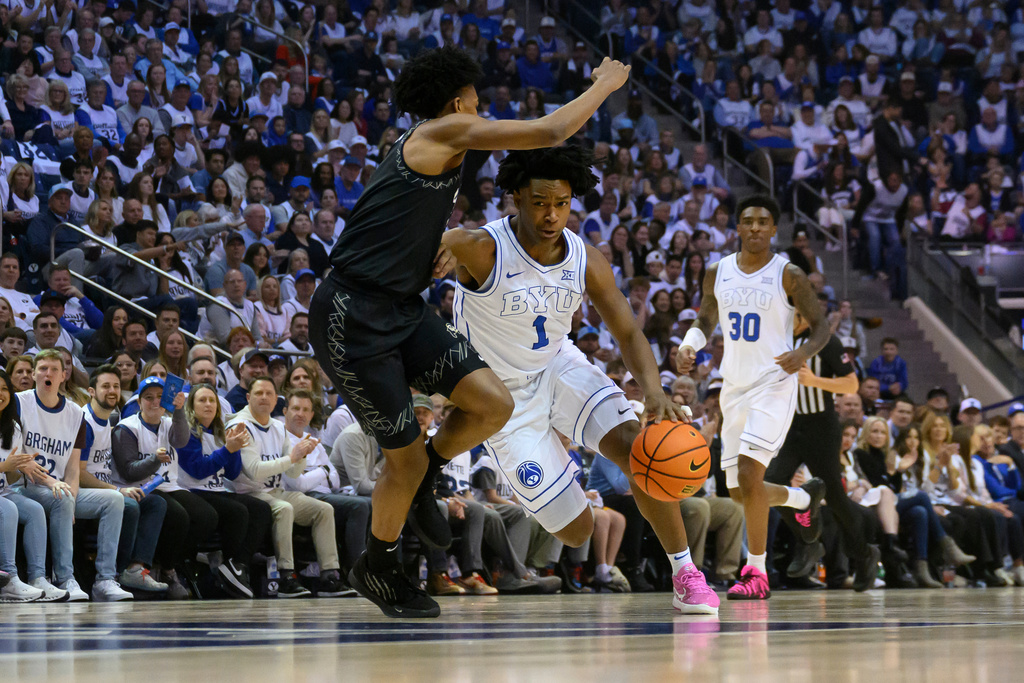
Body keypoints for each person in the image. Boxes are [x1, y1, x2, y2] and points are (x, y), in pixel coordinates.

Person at [308, 47, 630, 619]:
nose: (480, 112)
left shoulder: (430, 142)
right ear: (459, 103)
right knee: (399, 462)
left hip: (400, 307)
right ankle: (378, 567)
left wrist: (443, 241)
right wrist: (604, 84)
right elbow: (551, 129)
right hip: (351, 316)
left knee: (491, 403)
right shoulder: (447, 128)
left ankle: (430, 471)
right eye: (478, 103)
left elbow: (407, 216)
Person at [443, 147, 716, 613]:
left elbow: (627, 330)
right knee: (578, 530)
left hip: (558, 366)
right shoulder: (480, 247)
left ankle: (686, 573)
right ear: (516, 198)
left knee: (641, 447)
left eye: (562, 203)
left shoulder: (584, 257)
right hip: (501, 397)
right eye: (540, 202)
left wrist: (653, 392)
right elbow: (433, 241)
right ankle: (548, 467)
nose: (551, 215)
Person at [677, 195, 830, 601]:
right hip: (734, 387)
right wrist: (690, 343)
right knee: (744, 492)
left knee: (749, 474)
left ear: (774, 229)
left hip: (774, 383)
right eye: (748, 221)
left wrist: (803, 353)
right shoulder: (717, 271)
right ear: (738, 228)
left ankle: (756, 573)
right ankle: (802, 497)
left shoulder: (789, 274)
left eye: (764, 221)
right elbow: (706, 317)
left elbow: (821, 327)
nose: (756, 228)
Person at [764, 309, 879, 590]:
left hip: (822, 427)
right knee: (771, 482)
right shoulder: (775, 340)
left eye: (792, 312)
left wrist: (814, 381)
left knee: (836, 498)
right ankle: (808, 541)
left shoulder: (825, 341)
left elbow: (851, 382)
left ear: (803, 314)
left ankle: (865, 554)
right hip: (791, 425)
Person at [15, 349, 133, 601]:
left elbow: (72, 466)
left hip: (58, 488)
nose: (48, 373)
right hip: (24, 484)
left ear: (64, 375)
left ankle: (105, 579)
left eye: (54, 369)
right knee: (62, 497)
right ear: (34, 373)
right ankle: (65, 577)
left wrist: (72, 494)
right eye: (43, 368)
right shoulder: (19, 402)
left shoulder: (75, 413)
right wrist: (63, 494)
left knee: (115, 500)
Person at [226, 376, 346, 598]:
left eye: (269, 394)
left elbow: (292, 472)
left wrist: (301, 456)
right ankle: (286, 577)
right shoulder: (240, 426)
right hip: (248, 493)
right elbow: (254, 470)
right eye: (259, 393)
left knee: (324, 509)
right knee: (284, 508)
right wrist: (292, 458)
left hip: (276, 491)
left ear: (275, 401)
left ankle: (329, 575)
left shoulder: (278, 427)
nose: (264, 397)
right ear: (248, 397)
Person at [111, 375, 216, 599]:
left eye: (160, 397)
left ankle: (169, 561)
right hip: (139, 487)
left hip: (169, 485)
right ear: (139, 402)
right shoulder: (126, 428)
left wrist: (178, 410)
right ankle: (168, 571)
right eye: (148, 398)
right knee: (178, 517)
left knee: (207, 516)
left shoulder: (169, 422)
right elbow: (129, 471)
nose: (155, 402)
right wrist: (154, 460)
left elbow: (181, 441)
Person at [78, 365, 169, 593]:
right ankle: (112, 575)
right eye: (106, 386)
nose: (112, 390)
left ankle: (135, 569)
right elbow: (79, 474)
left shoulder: (109, 419)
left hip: (107, 488)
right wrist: (117, 490)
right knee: (128, 506)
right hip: (82, 489)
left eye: (116, 386)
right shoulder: (85, 422)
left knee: (156, 503)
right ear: (91, 390)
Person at [177, 382, 271, 599]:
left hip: (218, 489)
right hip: (193, 489)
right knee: (237, 512)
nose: (208, 404)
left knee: (261, 509)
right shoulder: (187, 432)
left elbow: (232, 472)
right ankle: (228, 564)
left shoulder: (220, 431)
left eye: (212, 400)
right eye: (202, 400)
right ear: (192, 405)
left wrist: (234, 449)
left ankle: (238, 565)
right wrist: (227, 449)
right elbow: (198, 470)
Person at [281, 389, 367, 585]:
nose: (300, 414)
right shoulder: (282, 439)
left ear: (312, 415)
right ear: (285, 411)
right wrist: (323, 471)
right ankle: (356, 573)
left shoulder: (314, 442)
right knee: (359, 506)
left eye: (306, 410)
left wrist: (316, 472)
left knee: (372, 503)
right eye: (295, 408)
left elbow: (335, 480)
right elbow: (298, 484)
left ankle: (372, 568)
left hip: (327, 493)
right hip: (305, 496)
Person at [0, 367, 69, 602]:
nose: (1, 394)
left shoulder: (13, 427)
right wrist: (4, 466)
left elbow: (8, 481)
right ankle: (9, 580)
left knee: (35, 510)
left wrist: (17, 467)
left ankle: (38, 578)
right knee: (7, 509)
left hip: (4, 491)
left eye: (4, 389)